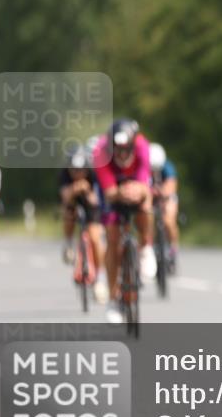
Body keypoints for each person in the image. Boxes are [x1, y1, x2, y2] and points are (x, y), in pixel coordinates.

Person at [92, 119, 157, 323]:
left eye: (125, 149)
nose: (121, 154)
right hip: (112, 189)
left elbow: (145, 182)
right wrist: (120, 192)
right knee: (112, 238)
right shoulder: (100, 152)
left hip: (136, 185)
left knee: (145, 205)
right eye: (116, 150)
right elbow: (109, 192)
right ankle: (113, 299)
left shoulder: (142, 146)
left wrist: (137, 190)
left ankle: (146, 246)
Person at [58, 146, 105, 290]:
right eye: (74, 170)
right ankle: (69, 241)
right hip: (72, 202)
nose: (78, 174)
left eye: (81, 170)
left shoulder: (94, 173)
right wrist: (73, 190)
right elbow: (64, 198)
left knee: (95, 237)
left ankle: (100, 275)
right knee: (68, 212)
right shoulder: (64, 174)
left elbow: (96, 201)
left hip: (91, 204)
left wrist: (87, 190)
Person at [148, 143, 180, 268]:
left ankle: (173, 248)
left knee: (168, 220)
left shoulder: (167, 166)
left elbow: (172, 185)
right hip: (150, 196)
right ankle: (148, 247)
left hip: (166, 196)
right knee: (147, 218)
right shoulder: (143, 166)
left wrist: (163, 194)